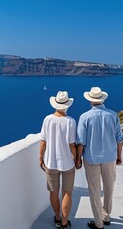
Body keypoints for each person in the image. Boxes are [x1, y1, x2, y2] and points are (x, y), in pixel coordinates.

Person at [76, 87, 123, 229]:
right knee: (109, 188)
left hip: (91, 159)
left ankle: (98, 222)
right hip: (109, 157)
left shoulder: (85, 117)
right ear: (102, 99)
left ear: (90, 100)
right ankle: (106, 216)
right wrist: (119, 155)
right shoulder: (112, 115)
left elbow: (81, 142)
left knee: (94, 190)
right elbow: (119, 139)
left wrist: (78, 158)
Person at [39, 91, 77, 229]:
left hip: (50, 162)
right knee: (67, 192)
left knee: (53, 192)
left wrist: (40, 157)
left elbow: (43, 141)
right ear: (67, 105)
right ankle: (65, 223)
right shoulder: (71, 122)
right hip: (67, 162)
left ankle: (57, 217)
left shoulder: (47, 119)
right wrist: (77, 158)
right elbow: (72, 145)